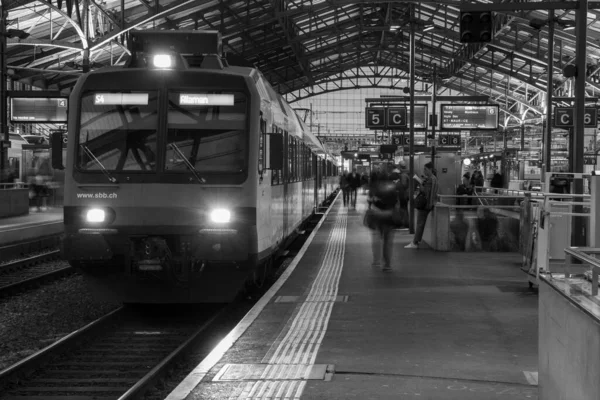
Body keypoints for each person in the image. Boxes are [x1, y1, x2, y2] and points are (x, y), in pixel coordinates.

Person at [367, 171, 398, 271]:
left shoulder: (376, 188)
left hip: (378, 216)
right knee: (388, 241)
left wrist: (375, 201)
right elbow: (396, 202)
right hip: (389, 216)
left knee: (376, 238)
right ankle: (387, 264)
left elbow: (370, 201)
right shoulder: (393, 188)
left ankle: (376, 260)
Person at [405, 162, 439, 249]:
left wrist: (420, 183)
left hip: (425, 204)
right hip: (430, 203)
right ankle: (416, 241)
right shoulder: (434, 178)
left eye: (425, 169)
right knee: (421, 223)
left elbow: (425, 191)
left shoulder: (430, 179)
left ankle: (415, 243)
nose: (424, 171)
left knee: (419, 224)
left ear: (430, 169)